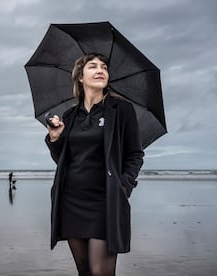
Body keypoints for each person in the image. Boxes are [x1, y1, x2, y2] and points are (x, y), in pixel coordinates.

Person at [45, 53, 144, 276]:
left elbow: (135, 154)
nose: (100, 70)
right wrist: (55, 137)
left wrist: (123, 187)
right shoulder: (70, 116)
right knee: (84, 270)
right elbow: (62, 159)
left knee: (101, 272)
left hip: (105, 200)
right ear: (80, 77)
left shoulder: (121, 110)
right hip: (71, 200)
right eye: (93, 66)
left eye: (104, 67)